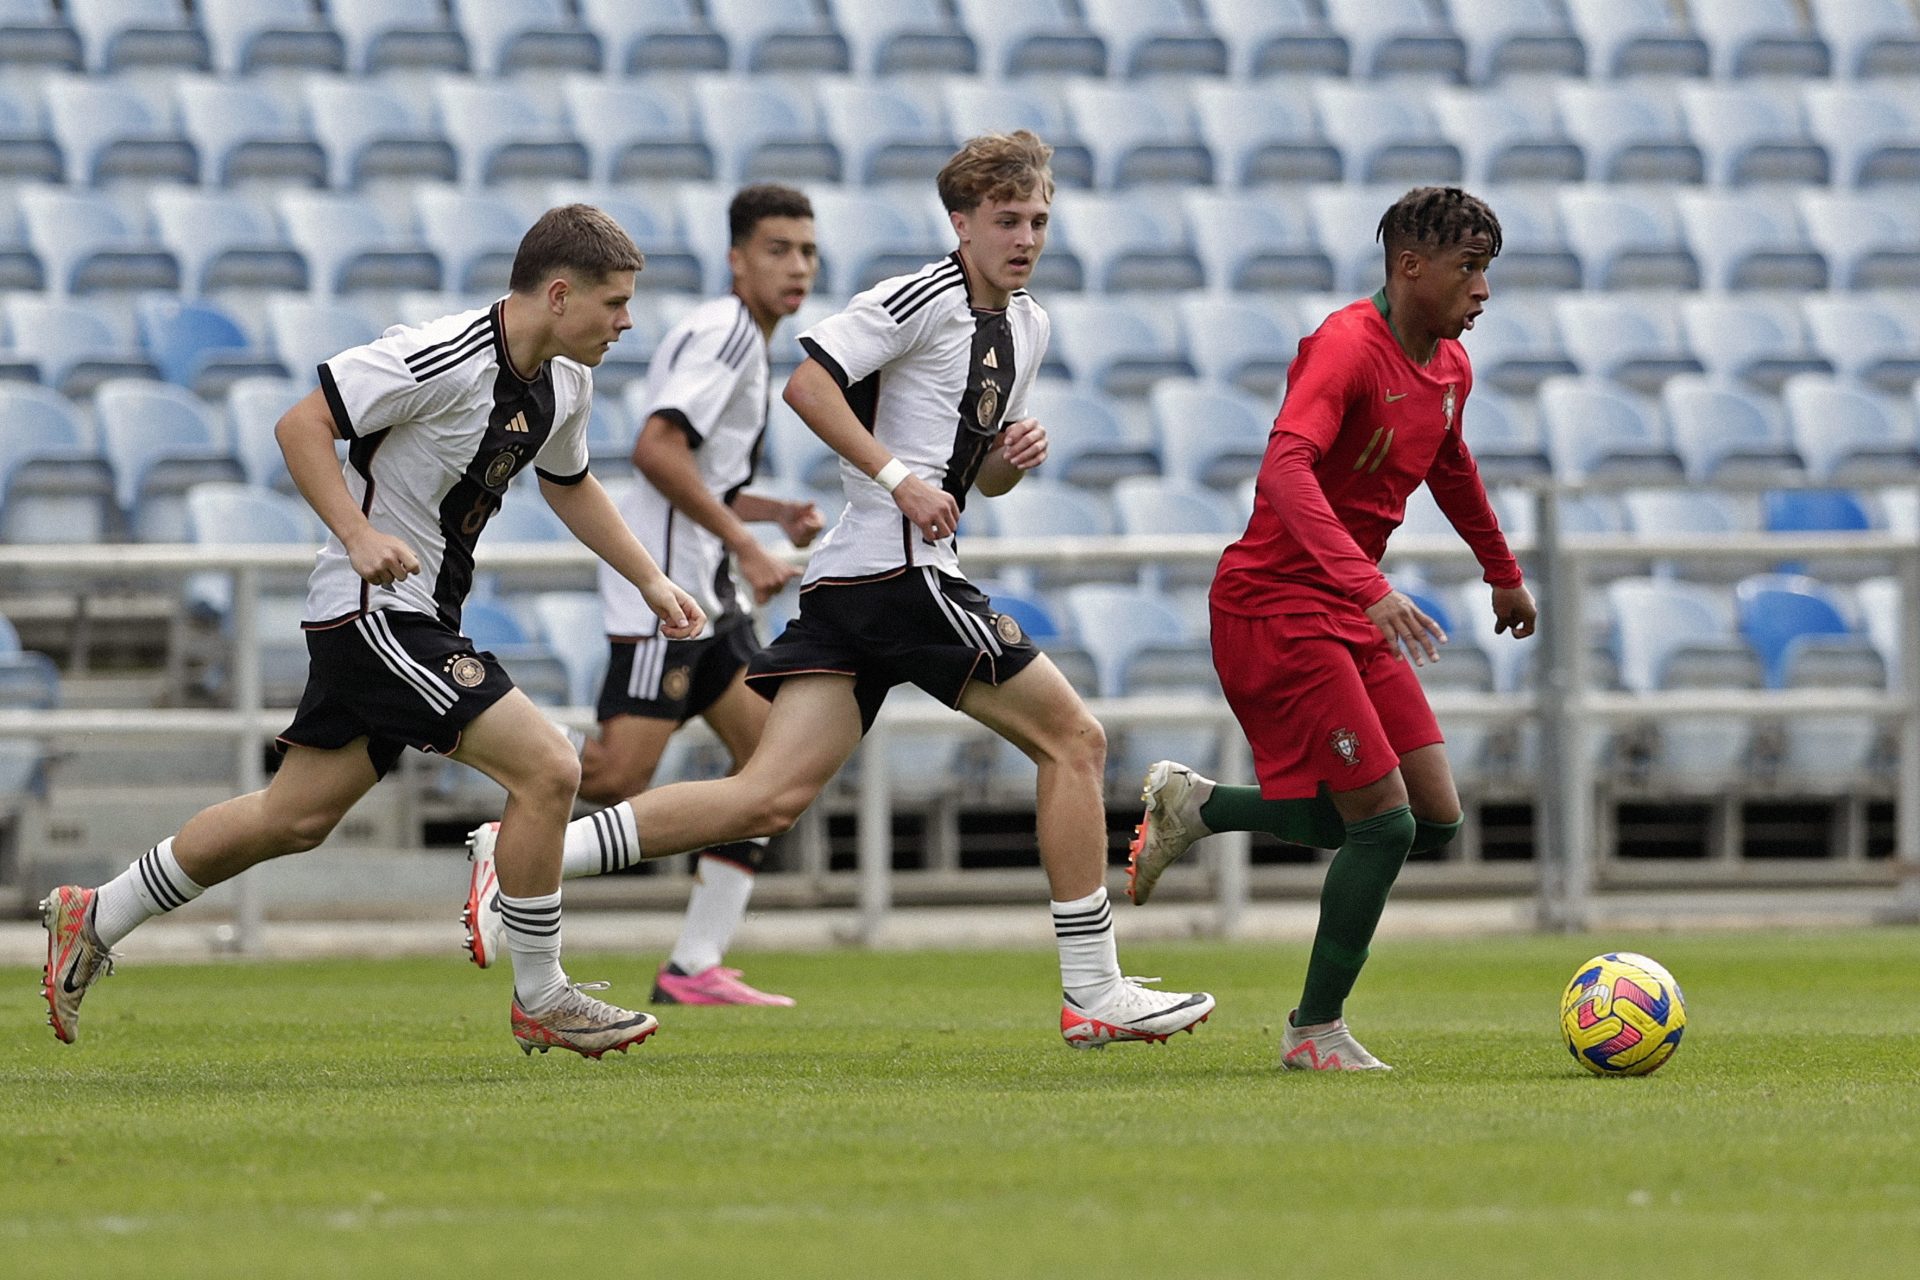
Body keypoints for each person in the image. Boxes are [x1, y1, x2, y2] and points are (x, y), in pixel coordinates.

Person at [469, 131, 1214, 1048]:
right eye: (1008, 220)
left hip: (857, 586)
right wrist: (897, 476)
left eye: (1040, 221)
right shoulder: (917, 296)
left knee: (763, 799)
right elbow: (812, 389)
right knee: (1076, 740)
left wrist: (1012, 462)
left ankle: (521, 865)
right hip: (897, 573)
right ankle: (1093, 990)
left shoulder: (1029, 325)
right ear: (963, 223)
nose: (1027, 237)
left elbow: (976, 477)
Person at [40, 205, 706, 1058]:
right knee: (549, 767)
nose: (627, 322)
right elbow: (300, 424)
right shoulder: (441, 354)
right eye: (615, 303)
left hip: (413, 616)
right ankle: (543, 995)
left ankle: (96, 913)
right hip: (375, 617)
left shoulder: (565, 380)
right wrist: (357, 537)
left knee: (294, 817)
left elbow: (569, 484)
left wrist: (647, 578)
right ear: (560, 293)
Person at [1128, 186, 1536, 1071]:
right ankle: (1314, 1031)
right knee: (1381, 827)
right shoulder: (1348, 346)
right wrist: (1368, 583)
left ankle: (1199, 807)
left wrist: (1502, 574)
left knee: (1432, 823)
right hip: (1274, 606)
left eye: (1488, 271)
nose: (1483, 291)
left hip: (1342, 609)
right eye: (1469, 270)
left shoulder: (1450, 369)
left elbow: (1450, 465)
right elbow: (1284, 468)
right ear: (1409, 267)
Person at [463, 185, 824, 1007]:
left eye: (806, 250)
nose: (796, 266)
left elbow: (701, 470)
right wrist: (747, 543)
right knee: (619, 774)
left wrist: (764, 511)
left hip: (713, 597)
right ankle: (508, 842)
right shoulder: (729, 334)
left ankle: (695, 963)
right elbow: (659, 452)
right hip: (676, 595)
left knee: (778, 769)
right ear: (737, 259)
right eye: (777, 249)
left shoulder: (748, 341)